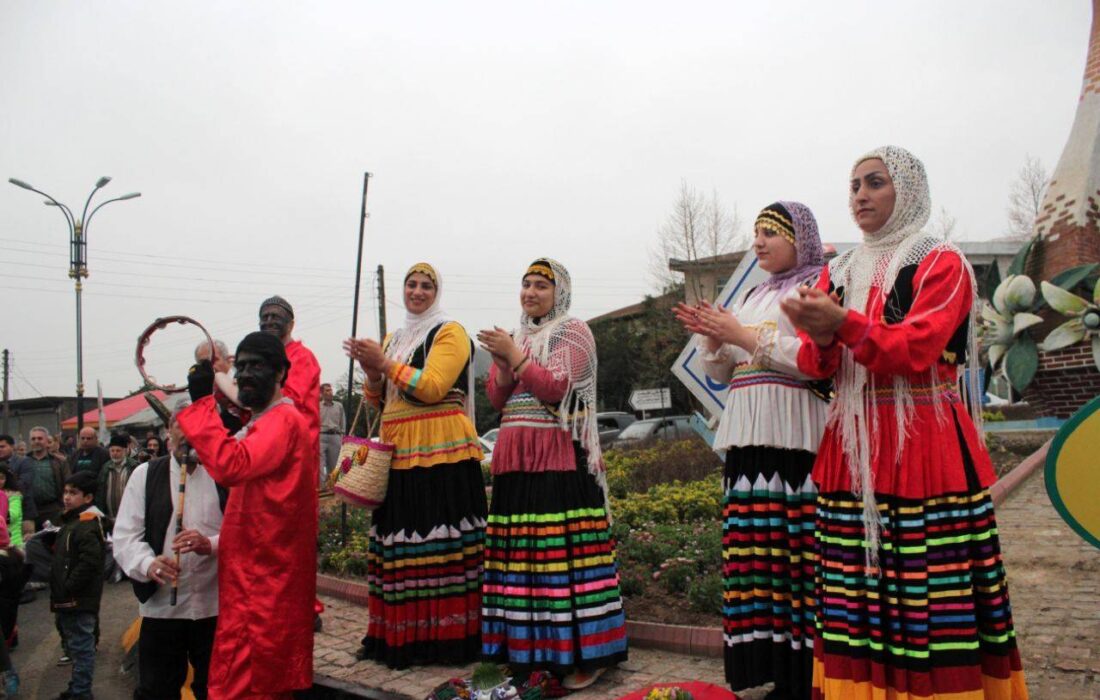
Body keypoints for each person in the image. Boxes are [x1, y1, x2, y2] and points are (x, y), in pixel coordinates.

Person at [780, 145, 1027, 698]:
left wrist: (841, 323)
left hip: (921, 442)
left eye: (874, 183)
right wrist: (821, 337)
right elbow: (817, 366)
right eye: (853, 186)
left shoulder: (941, 261)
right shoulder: (836, 270)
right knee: (855, 592)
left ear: (908, 192)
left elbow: (918, 347)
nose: (860, 196)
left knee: (928, 596)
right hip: (851, 447)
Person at [674, 202, 828, 699]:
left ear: (799, 239)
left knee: (796, 554)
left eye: (771, 233)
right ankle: (767, 666)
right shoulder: (754, 293)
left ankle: (805, 674)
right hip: (749, 432)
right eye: (756, 233)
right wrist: (710, 336)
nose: (758, 242)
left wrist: (738, 334)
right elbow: (722, 373)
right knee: (756, 553)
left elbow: (815, 362)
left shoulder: (820, 285)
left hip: (794, 432)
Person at [476, 258, 628, 691]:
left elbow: (559, 389)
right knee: (522, 559)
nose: (531, 292)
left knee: (561, 559)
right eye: (525, 284)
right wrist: (504, 362)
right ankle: (529, 652)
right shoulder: (517, 335)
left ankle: (584, 653)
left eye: (541, 285)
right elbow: (497, 397)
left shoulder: (572, 330)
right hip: (515, 456)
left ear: (558, 292)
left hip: (559, 456)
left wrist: (514, 357)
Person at [344, 262, 487, 669]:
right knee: (401, 545)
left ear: (436, 292)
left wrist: (384, 363)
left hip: (441, 451)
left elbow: (432, 387)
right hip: (398, 451)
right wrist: (373, 371)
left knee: (438, 546)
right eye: (411, 284)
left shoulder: (450, 331)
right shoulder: (396, 337)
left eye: (426, 285)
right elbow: (381, 399)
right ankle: (399, 635)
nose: (418, 291)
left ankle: (446, 640)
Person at [178, 331, 316, 698]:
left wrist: (202, 405)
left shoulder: (282, 421)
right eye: (241, 367)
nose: (246, 374)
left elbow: (231, 465)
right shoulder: (266, 421)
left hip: (263, 583)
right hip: (255, 576)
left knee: (248, 683)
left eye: (257, 365)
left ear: (281, 373)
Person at [114, 400, 224, 700]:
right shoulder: (145, 475)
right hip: (162, 607)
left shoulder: (224, 476)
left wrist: (210, 544)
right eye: (181, 430)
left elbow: (247, 533)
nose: (188, 439)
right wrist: (149, 564)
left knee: (216, 690)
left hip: (216, 606)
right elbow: (125, 537)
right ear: (168, 434)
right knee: (157, 690)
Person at [50, 471, 106, 700]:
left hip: (79, 599)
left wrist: (68, 586)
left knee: (83, 648)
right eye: (65, 492)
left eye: (73, 493)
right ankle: (76, 688)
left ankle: (82, 692)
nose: (67, 497)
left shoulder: (86, 524)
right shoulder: (71, 522)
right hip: (69, 597)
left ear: (88, 498)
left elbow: (90, 561)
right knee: (75, 646)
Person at [27, 426, 70, 529]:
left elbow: (68, 483)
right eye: (33, 439)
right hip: (30, 511)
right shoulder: (23, 462)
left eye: (40, 438)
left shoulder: (60, 462)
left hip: (53, 509)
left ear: (47, 441)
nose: (36, 441)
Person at [96, 434, 138, 531]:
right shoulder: (105, 468)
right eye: (112, 451)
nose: (115, 453)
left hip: (130, 516)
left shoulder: (133, 467)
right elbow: (100, 493)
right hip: (109, 517)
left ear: (125, 451)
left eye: (118, 451)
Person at [0, 435, 35, 544]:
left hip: (24, 509)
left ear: (12, 447)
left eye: (2, 446)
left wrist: (7, 492)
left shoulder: (23, 462)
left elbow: (24, 482)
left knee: (26, 542)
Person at [318, 383, 345, 487]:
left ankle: (333, 487)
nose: (330, 392)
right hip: (321, 437)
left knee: (334, 465)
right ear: (322, 393)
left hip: (335, 436)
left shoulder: (339, 406)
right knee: (320, 464)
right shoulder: (317, 406)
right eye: (327, 391)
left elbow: (343, 423)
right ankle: (321, 488)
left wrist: (342, 436)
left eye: (331, 390)